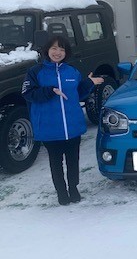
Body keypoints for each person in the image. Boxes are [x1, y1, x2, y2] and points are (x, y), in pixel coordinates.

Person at [22, 35, 103, 205]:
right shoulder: (35, 72)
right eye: (54, 48)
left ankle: (73, 188)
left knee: (73, 161)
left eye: (62, 49)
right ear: (47, 50)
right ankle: (61, 192)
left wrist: (89, 83)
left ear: (66, 52)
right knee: (56, 162)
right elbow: (28, 93)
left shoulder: (72, 71)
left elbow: (78, 93)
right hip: (49, 127)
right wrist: (50, 91)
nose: (57, 52)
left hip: (72, 126)